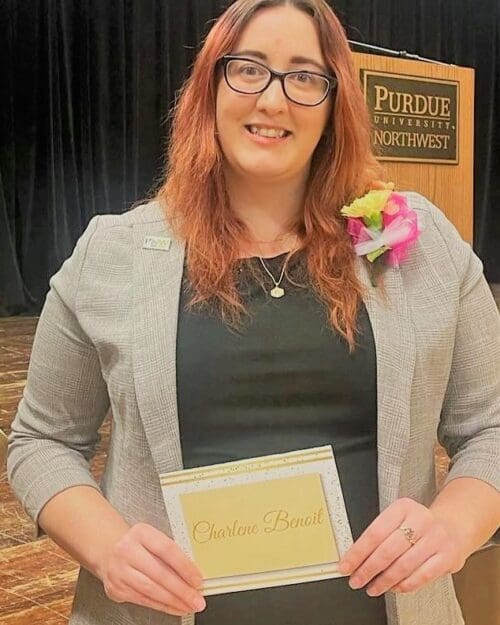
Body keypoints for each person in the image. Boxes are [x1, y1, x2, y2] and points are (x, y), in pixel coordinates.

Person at [7, 0, 500, 624]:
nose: (273, 100)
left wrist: (454, 525)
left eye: (304, 76)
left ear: (335, 102)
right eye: (248, 69)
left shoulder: (423, 243)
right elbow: (41, 441)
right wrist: (107, 550)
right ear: (210, 87)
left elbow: (491, 427)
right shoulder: (112, 253)